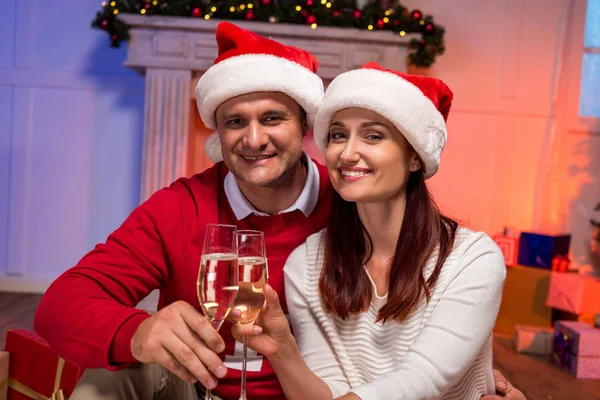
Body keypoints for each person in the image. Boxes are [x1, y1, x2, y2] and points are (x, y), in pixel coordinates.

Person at [33, 22, 525, 400]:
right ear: (217, 132)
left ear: (305, 125)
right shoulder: (179, 207)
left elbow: (425, 300)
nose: (253, 139)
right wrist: (136, 332)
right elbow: (59, 305)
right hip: (201, 388)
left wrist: (468, 375)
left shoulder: (353, 202)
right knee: (106, 380)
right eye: (234, 122)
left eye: (272, 118)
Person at [231, 63, 511, 400]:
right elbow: (326, 392)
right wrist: (283, 351)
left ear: (415, 157)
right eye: (338, 135)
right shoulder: (304, 265)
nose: (347, 154)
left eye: (373, 135)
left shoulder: (473, 261)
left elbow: (420, 382)